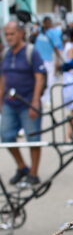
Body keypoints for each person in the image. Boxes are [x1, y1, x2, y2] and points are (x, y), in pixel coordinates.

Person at [0, 21, 47, 186]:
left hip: (28, 102)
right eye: (6, 34)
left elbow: (39, 77)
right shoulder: (6, 53)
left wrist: (35, 102)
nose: (9, 37)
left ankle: (34, 173)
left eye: (11, 34)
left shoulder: (31, 52)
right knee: (5, 136)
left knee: (33, 138)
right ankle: (22, 167)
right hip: (9, 103)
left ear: (20, 33)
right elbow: (3, 78)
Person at [34, 16, 63, 103]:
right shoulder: (38, 31)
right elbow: (31, 40)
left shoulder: (52, 33)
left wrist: (58, 61)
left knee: (50, 79)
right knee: (38, 79)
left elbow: (56, 47)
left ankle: (47, 98)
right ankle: (40, 97)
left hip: (48, 60)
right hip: (38, 59)